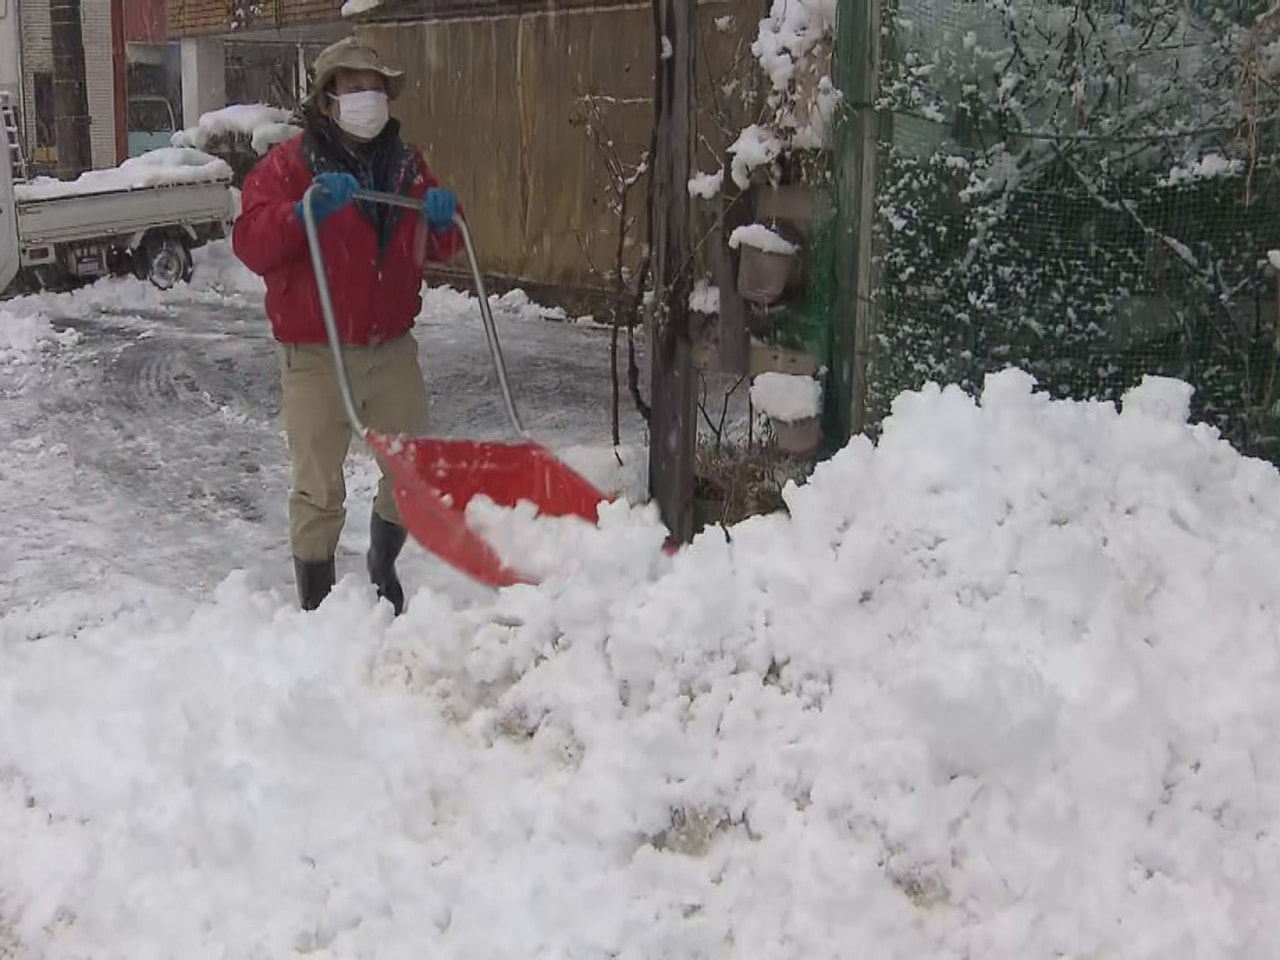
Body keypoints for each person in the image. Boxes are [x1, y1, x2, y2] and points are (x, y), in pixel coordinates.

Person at [233, 37, 463, 615]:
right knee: (318, 487)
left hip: (389, 349)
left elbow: (445, 242)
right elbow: (253, 243)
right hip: (315, 353)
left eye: (376, 86)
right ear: (328, 99)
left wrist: (443, 219)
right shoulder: (289, 166)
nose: (368, 97)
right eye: (354, 86)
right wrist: (301, 213)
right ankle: (317, 606)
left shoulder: (407, 166)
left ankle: (383, 566)